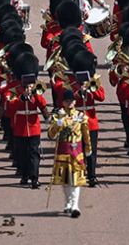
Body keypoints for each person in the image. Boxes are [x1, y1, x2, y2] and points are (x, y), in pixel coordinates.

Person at [48, 87, 90, 218]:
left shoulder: (81, 116)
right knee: (65, 179)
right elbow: (50, 134)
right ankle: (68, 203)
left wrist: (88, 147)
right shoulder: (58, 115)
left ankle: (75, 205)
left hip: (76, 150)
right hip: (63, 149)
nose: (70, 103)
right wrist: (58, 124)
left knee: (76, 179)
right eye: (67, 101)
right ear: (63, 102)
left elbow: (86, 133)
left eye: (72, 101)